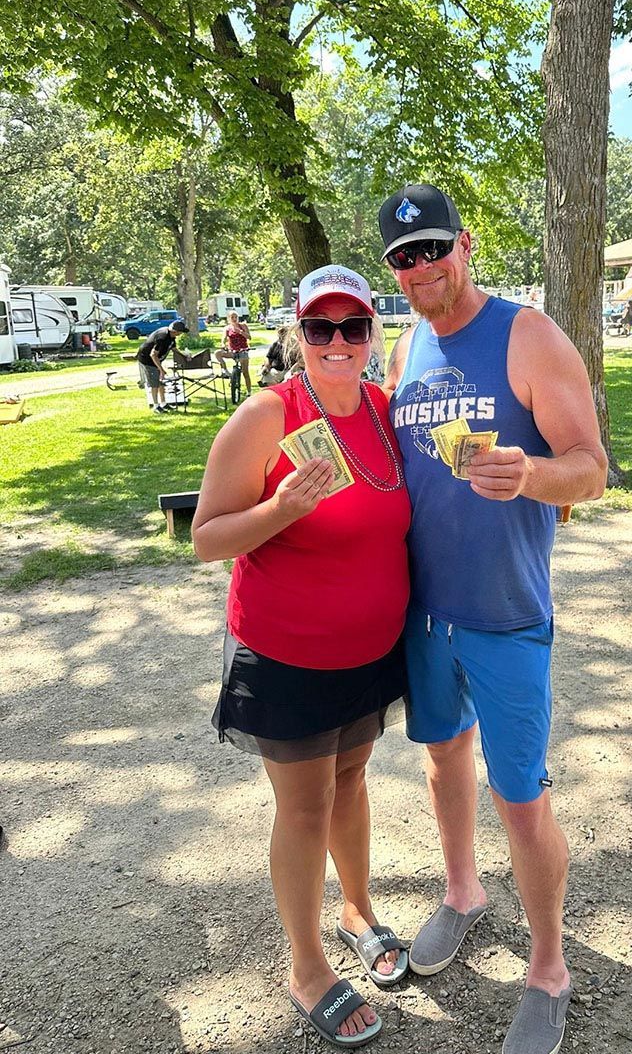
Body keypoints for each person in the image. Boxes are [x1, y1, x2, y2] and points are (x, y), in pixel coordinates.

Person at [381, 184, 608, 1054]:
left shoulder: (528, 334)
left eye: (433, 248)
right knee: (444, 762)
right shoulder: (409, 345)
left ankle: (548, 968)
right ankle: (463, 893)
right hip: (427, 615)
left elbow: (589, 468)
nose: (422, 267)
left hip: (508, 615)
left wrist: (531, 473)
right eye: (404, 258)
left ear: (465, 244)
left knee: (521, 799)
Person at [193, 265, 411, 1049]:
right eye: (321, 328)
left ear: (373, 332)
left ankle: (358, 909)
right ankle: (307, 966)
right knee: (306, 804)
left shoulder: (386, 412)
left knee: (351, 781)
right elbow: (206, 538)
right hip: (287, 655)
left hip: (371, 653)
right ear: (298, 332)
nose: (339, 342)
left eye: (355, 326)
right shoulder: (266, 414)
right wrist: (281, 508)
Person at [136, 318, 188, 413]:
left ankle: (163, 403)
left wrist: (184, 355)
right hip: (147, 360)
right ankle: (156, 406)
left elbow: (174, 349)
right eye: (180, 332)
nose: (181, 334)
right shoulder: (162, 337)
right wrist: (161, 369)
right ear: (175, 331)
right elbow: (153, 354)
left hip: (156, 360)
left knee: (161, 382)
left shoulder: (171, 337)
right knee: (154, 383)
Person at [215, 310, 253, 396]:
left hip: (243, 350)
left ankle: (249, 391)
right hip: (232, 351)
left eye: (236, 317)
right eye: (232, 317)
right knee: (217, 353)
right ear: (229, 319)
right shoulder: (227, 328)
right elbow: (224, 339)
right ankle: (225, 371)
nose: (234, 319)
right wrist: (223, 344)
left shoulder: (243, 326)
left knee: (245, 372)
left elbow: (249, 337)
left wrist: (240, 331)